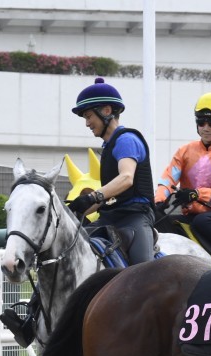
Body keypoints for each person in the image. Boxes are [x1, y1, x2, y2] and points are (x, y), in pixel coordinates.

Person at [66, 77, 156, 265]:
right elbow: (107, 196)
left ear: (106, 111)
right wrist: (74, 210)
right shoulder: (108, 146)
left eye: (89, 116)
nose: (87, 123)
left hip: (135, 217)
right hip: (109, 216)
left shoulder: (126, 140)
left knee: (142, 273)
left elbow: (126, 178)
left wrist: (92, 197)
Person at [154, 92, 211, 264]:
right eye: (201, 122)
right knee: (153, 217)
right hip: (188, 217)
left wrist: (196, 194)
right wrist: (159, 200)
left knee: (203, 220)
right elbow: (168, 180)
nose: (206, 127)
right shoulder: (184, 151)